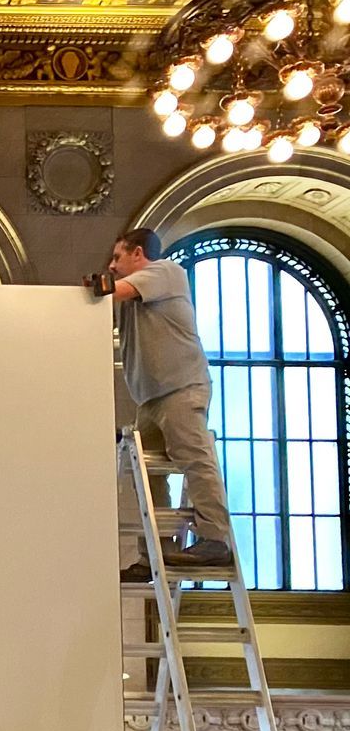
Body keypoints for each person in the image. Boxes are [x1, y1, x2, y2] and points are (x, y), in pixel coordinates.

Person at [87, 228, 232, 577]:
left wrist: (94, 288)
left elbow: (110, 290)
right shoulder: (133, 300)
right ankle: (156, 553)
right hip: (150, 398)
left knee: (195, 457)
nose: (112, 265)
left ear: (138, 254)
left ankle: (215, 538)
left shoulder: (166, 272)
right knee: (146, 478)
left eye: (117, 257)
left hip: (180, 388)